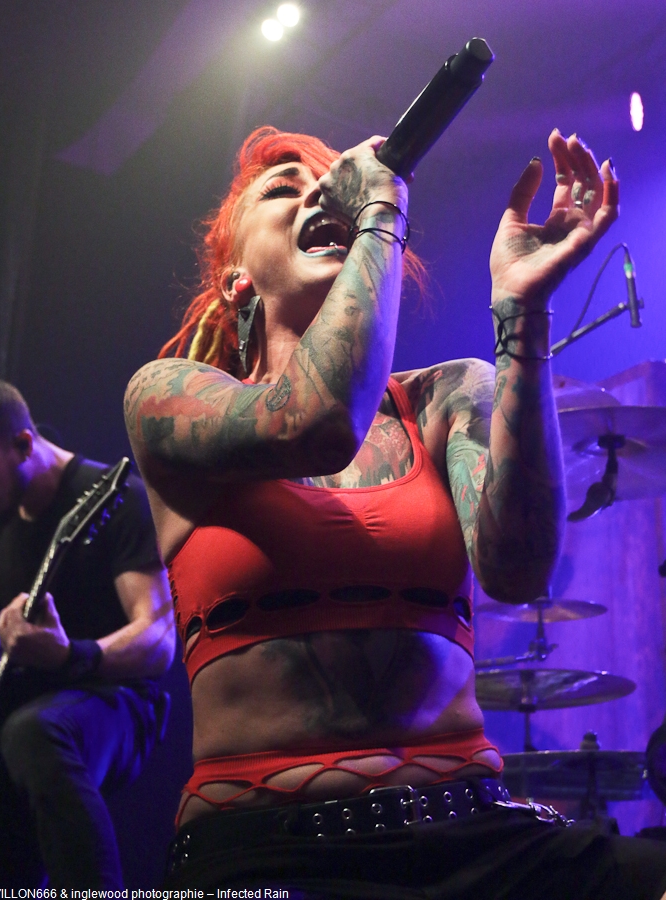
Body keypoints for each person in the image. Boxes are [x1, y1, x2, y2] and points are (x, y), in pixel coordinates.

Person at [124, 126, 666, 898]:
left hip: (475, 829)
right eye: (284, 190)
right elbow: (312, 423)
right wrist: (379, 212)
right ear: (237, 279)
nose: (321, 194)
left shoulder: (446, 397)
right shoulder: (168, 396)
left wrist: (523, 315)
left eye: (331, 186)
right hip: (267, 849)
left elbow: (517, 569)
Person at [0, 376, 176, 888]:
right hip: (24, 710)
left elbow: (159, 639)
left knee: (35, 731)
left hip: (121, 703)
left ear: (22, 444)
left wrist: (71, 655)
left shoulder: (116, 500)